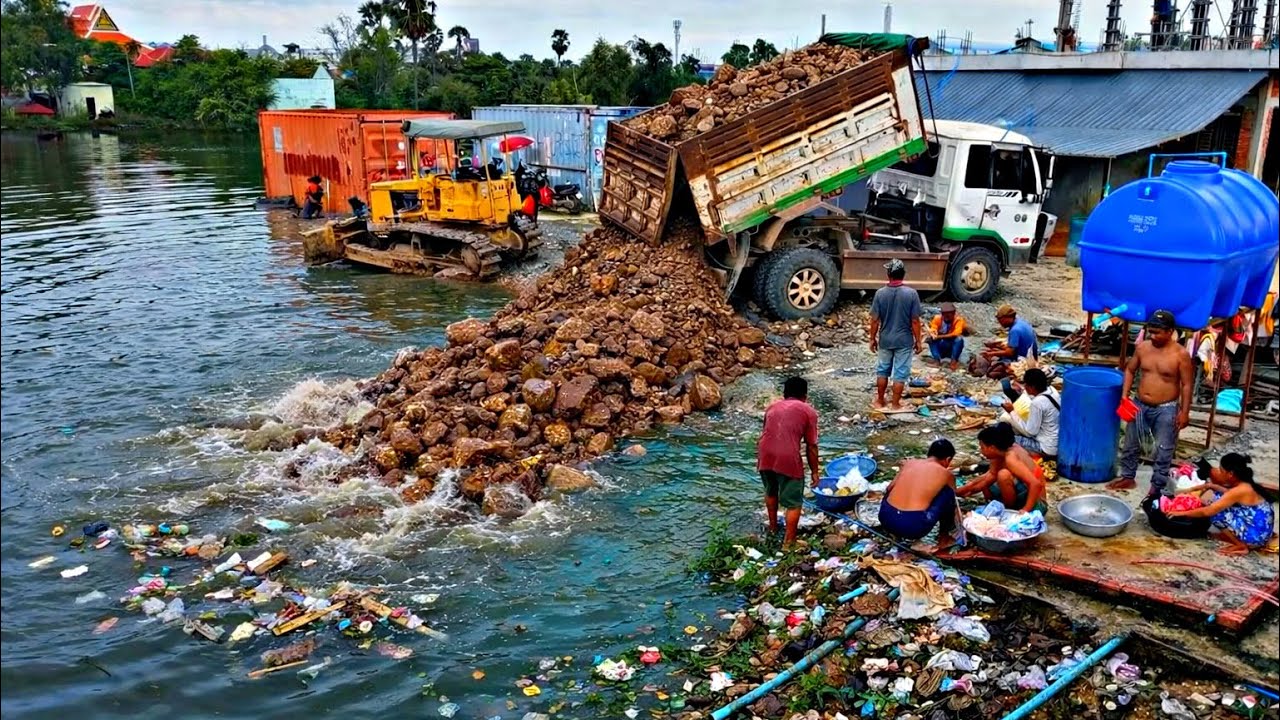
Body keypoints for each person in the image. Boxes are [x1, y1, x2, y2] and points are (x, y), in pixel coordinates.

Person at [1107, 309, 1193, 498]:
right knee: (1131, 443)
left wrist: (1185, 412)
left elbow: (1187, 385)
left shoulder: (1181, 355)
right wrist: (1124, 395)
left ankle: (1157, 485)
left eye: (1157, 332)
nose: (1152, 336)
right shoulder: (1143, 348)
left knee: (1163, 448)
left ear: (1170, 331)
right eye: (1150, 331)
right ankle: (1128, 476)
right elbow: (1130, 370)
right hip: (1139, 404)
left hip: (1166, 408)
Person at [1168, 453, 1275, 555]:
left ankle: (1242, 545)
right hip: (1263, 532)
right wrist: (1211, 486)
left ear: (1230, 474)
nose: (1219, 472)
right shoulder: (1246, 484)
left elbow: (1208, 511)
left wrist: (1181, 513)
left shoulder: (1239, 490)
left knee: (1216, 513)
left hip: (1256, 538)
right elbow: (1228, 494)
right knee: (1218, 497)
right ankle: (1242, 538)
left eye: (1221, 470)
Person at [757, 376, 821, 547]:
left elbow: (767, 431)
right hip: (787, 456)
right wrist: (815, 472)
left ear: (784, 394)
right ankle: (789, 542)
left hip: (764, 453)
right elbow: (811, 446)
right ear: (805, 395)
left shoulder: (772, 407)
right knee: (793, 502)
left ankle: (772, 528)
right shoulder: (808, 411)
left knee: (771, 491)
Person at [879, 439, 961, 552]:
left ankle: (895, 532)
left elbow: (889, 488)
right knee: (947, 494)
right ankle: (944, 538)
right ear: (948, 459)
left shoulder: (909, 463)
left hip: (885, 518)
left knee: (895, 489)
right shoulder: (946, 474)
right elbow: (954, 498)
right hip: (913, 527)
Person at [957, 422, 1047, 514]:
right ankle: (995, 505)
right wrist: (962, 491)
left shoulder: (1011, 457)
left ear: (992, 448)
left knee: (1003, 475)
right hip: (1024, 493)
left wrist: (1025, 510)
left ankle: (1010, 510)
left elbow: (1035, 484)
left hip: (1037, 503)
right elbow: (986, 479)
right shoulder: (998, 455)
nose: (981, 451)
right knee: (986, 481)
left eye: (982, 447)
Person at [869, 258, 923, 411]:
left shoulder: (880, 294)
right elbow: (915, 321)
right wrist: (918, 341)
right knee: (900, 373)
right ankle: (895, 404)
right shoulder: (912, 294)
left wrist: (872, 339)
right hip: (904, 340)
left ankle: (880, 401)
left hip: (885, 339)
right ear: (903, 275)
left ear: (889, 275)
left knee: (882, 371)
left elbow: (874, 321)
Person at [999, 368, 1060, 459]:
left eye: (1026, 384)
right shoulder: (1052, 391)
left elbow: (1030, 433)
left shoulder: (1038, 403)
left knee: (1002, 440)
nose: (1025, 387)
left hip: (1046, 448)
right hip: (1057, 440)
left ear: (1032, 387)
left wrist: (1011, 412)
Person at [926, 302, 967, 370]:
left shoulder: (959, 320)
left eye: (949, 316)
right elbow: (933, 328)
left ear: (954, 314)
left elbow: (956, 333)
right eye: (944, 315)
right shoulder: (937, 319)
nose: (946, 318)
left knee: (959, 339)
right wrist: (933, 333)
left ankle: (953, 362)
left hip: (951, 347)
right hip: (941, 346)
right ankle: (937, 360)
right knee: (930, 339)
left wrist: (940, 336)